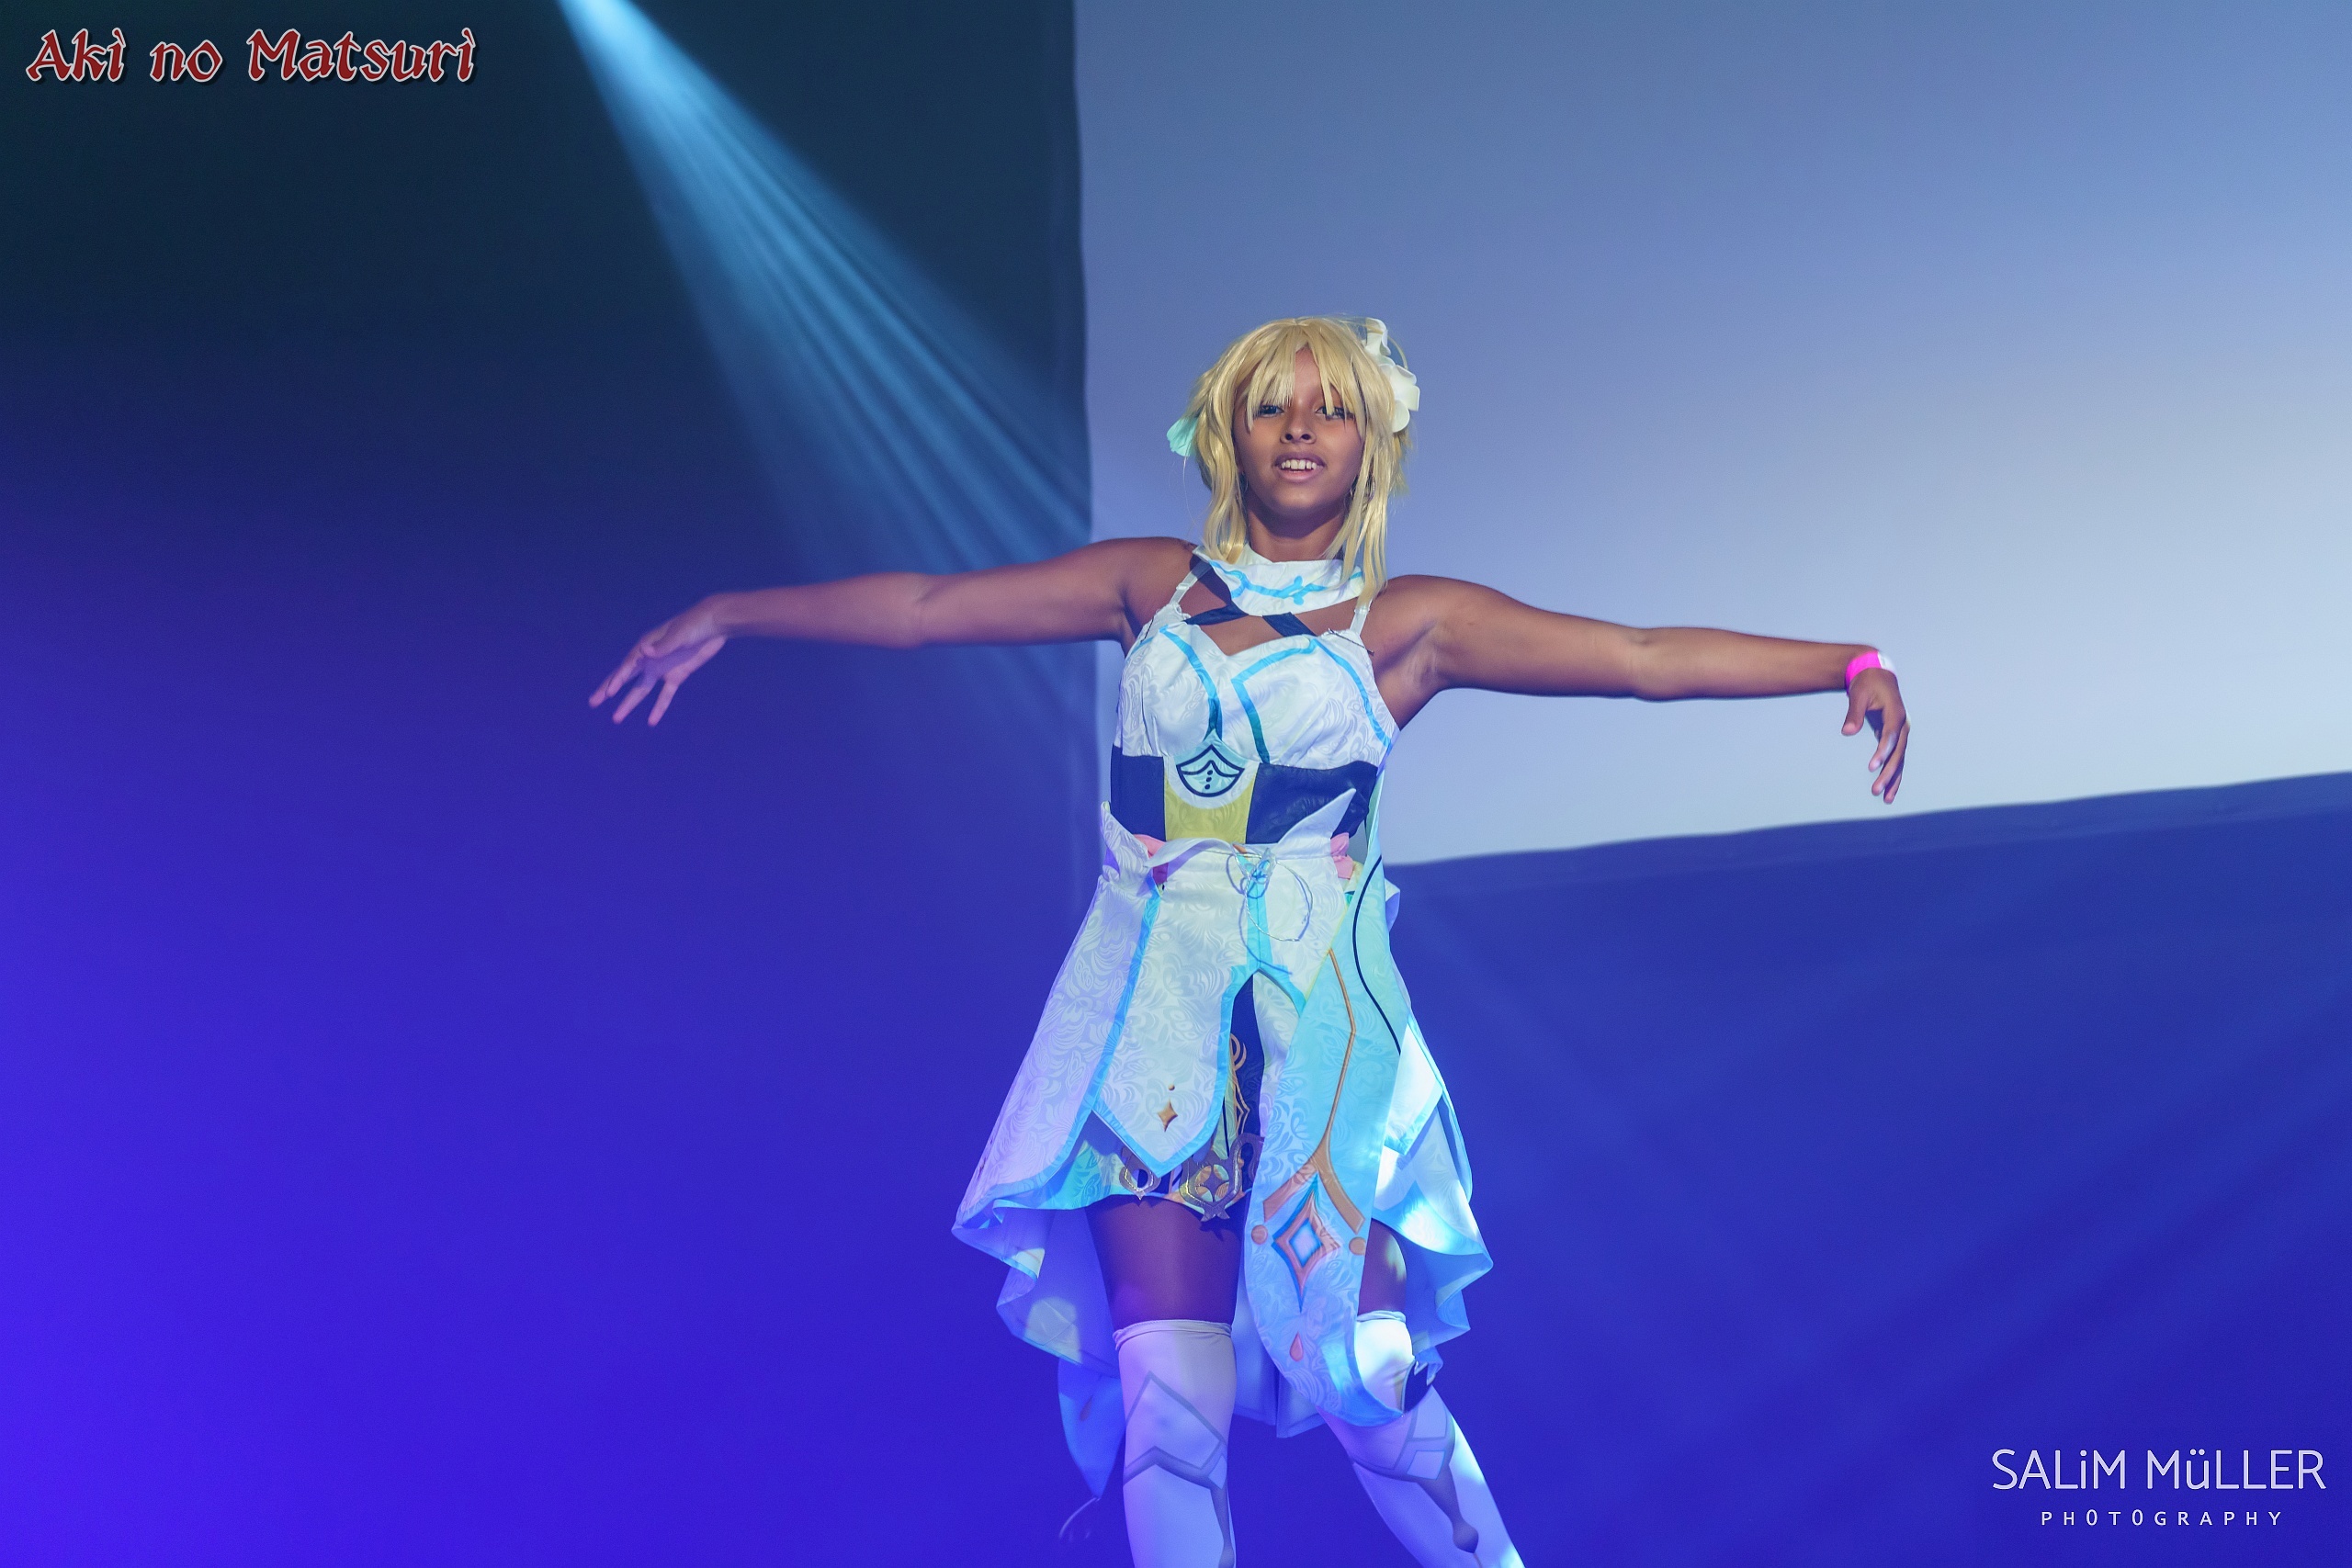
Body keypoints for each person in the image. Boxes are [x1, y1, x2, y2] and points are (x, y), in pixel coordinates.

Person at [592, 316, 1910, 1568]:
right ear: (1228, 430)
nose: (1299, 428)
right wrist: (733, 611)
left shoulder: (1407, 623)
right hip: (1148, 1030)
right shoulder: (1150, 586)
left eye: (1331, 409)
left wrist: (1848, 664)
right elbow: (933, 605)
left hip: (1323, 1037)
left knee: (1369, 1381)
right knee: (1168, 1409)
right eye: (1272, 405)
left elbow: (1637, 654)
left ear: (1371, 443)